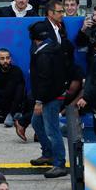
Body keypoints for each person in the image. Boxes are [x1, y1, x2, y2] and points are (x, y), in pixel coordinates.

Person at [27, 21, 68, 178]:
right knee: (36, 122)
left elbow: (44, 80)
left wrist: (39, 101)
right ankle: (48, 153)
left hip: (50, 98)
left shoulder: (44, 55)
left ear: (34, 37)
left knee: (52, 130)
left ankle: (59, 164)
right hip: (51, 95)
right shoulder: (53, 47)